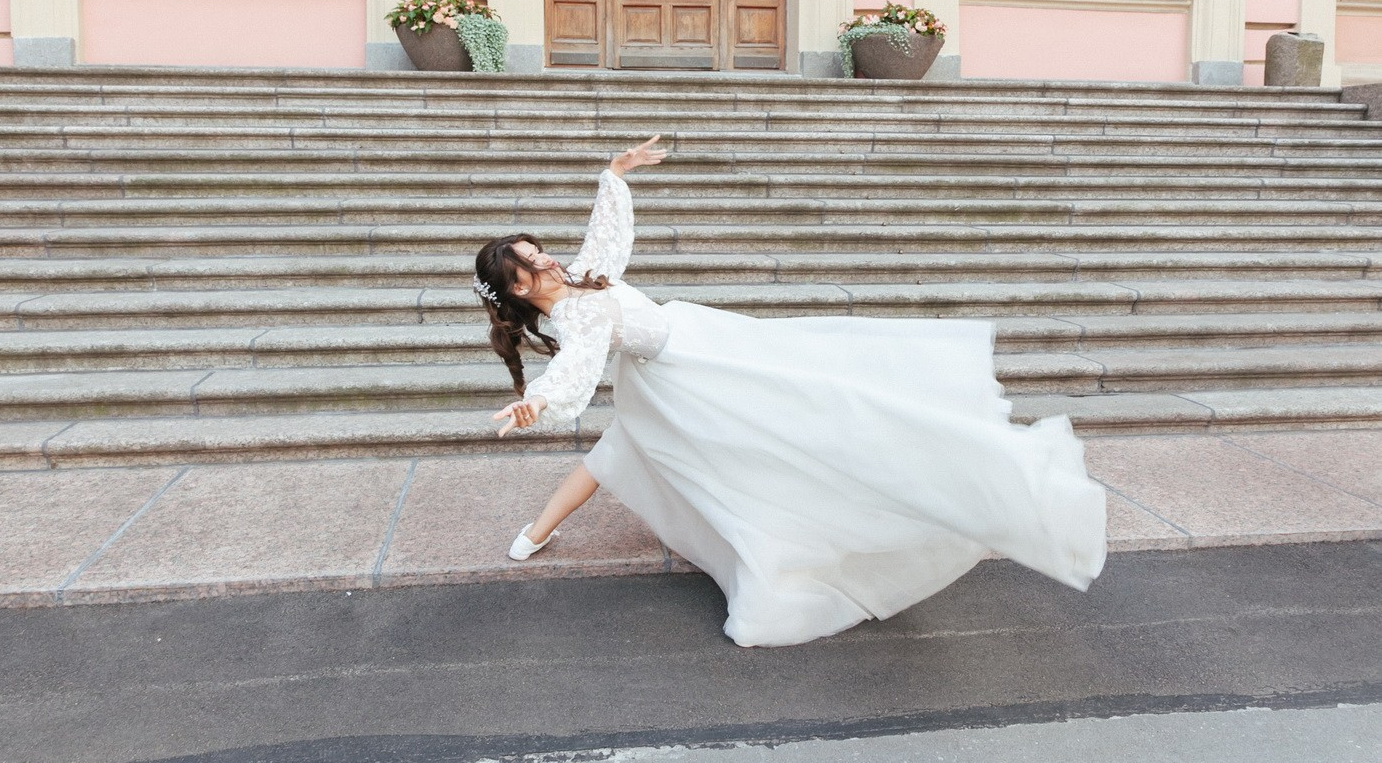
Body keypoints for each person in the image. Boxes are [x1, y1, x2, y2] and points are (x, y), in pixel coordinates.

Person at [472, 136, 1107, 647]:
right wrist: (540, 403)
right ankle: (539, 532)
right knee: (641, 447)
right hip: (683, 369)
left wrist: (615, 174)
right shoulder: (574, 316)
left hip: (694, 343)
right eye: (536, 261)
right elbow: (575, 367)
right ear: (522, 287)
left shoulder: (580, 278)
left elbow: (607, 238)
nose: (550, 259)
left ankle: (534, 534)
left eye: (543, 250)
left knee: (782, 411)